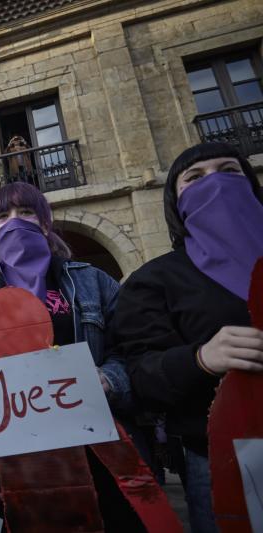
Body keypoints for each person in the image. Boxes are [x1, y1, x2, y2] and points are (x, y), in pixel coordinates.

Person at [0, 182, 136, 525]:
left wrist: (110, 377)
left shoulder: (92, 282)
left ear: (44, 223)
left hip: (88, 447)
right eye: (2, 215)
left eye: (26, 212)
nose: (14, 221)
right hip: (4, 456)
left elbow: (128, 348)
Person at [108, 142, 263, 532]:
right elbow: (141, 375)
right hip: (223, 452)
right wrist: (200, 359)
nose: (215, 182)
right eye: (194, 178)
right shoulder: (155, 279)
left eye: (229, 171)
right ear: (175, 203)